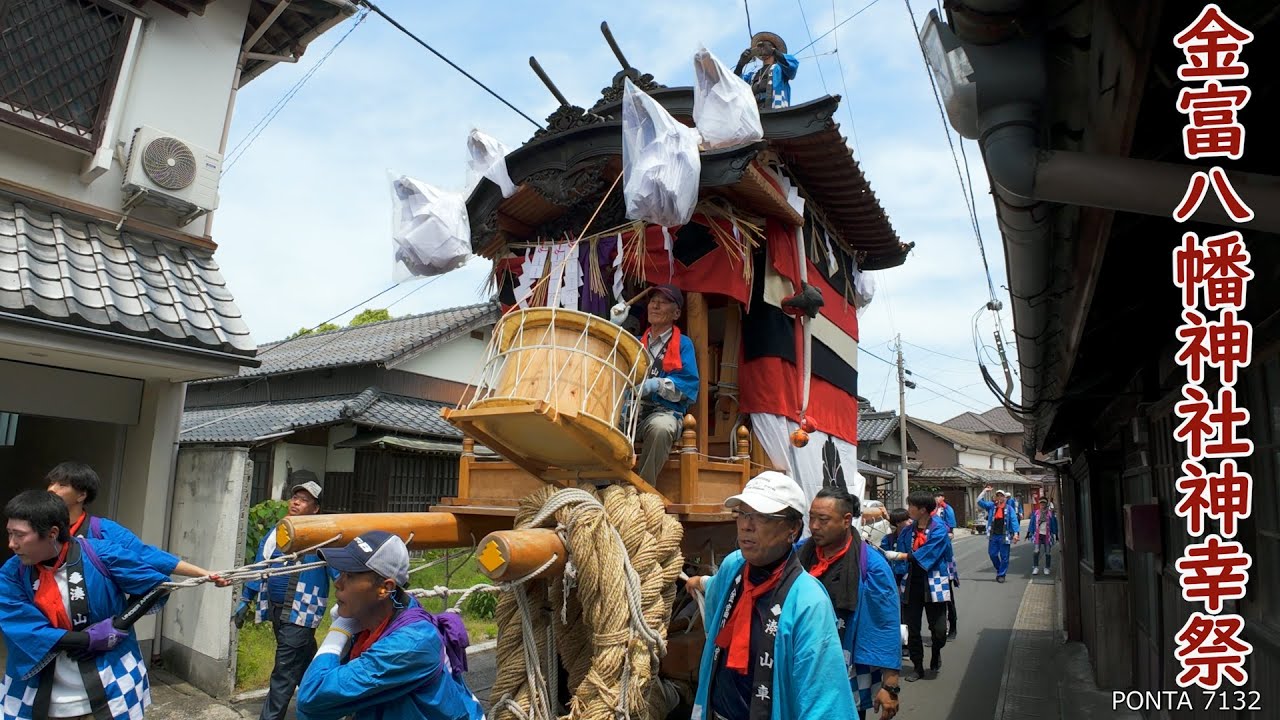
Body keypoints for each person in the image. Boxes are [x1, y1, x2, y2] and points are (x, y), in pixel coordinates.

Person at [686, 470, 856, 718]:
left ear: (793, 529)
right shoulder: (734, 567)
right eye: (742, 513)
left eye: (762, 516)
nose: (746, 525)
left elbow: (824, 697)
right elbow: (716, 588)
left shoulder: (808, 601)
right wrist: (699, 581)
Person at [1, 489, 177, 719]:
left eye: (19, 535)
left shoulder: (101, 555)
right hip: (36, 687)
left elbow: (157, 585)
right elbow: (18, 622)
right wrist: (86, 640)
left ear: (52, 533)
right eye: (9, 533)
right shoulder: (12, 572)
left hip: (111, 678)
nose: (11, 544)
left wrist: (119, 625)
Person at [295, 531, 485, 720]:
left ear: (385, 588)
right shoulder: (384, 615)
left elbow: (311, 700)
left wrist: (338, 632)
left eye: (350, 575)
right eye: (340, 573)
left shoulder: (410, 645)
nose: (337, 583)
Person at [234, 479, 337, 720]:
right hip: (277, 610)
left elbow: (337, 570)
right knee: (305, 665)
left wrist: (351, 603)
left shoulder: (322, 535)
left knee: (284, 671)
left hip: (303, 611)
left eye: (304, 500)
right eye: (295, 497)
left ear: (315, 508)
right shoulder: (278, 531)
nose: (296, 502)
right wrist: (246, 598)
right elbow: (261, 564)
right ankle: (327, 707)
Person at [798, 487, 901, 719]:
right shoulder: (801, 553)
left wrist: (890, 684)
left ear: (846, 521)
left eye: (823, 520)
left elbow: (885, 623)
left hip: (842, 665)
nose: (814, 526)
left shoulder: (872, 566)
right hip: (803, 661)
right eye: (811, 518)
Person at [46, 460, 225, 581]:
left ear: (81, 495)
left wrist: (205, 574)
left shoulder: (103, 530)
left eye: (61, 485)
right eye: (51, 483)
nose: (51, 489)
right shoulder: (38, 526)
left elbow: (148, 555)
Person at [610, 285, 699, 485]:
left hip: (664, 411)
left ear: (676, 313)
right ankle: (608, 485)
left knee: (661, 428)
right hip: (631, 412)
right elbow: (609, 357)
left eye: (664, 301)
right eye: (652, 300)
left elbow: (688, 385)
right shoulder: (636, 343)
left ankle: (642, 488)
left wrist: (657, 384)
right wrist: (614, 326)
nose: (655, 305)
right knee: (601, 425)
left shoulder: (684, 344)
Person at [883, 491, 952, 682]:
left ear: (922, 510)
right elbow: (899, 553)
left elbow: (931, 552)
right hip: (911, 582)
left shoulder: (939, 529)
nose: (909, 509)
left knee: (938, 630)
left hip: (934, 582)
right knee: (912, 627)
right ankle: (918, 666)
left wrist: (904, 556)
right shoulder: (907, 531)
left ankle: (936, 651)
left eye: (911, 506)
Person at [733, 31, 801, 109]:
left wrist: (773, 51)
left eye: (766, 46)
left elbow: (792, 66)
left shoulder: (779, 69)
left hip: (775, 109)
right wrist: (740, 65)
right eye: (761, 46)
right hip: (754, 112)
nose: (762, 48)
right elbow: (736, 84)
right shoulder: (752, 75)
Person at [976, 487, 1020, 583]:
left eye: (1001, 496)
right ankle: (999, 569)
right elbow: (979, 501)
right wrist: (984, 491)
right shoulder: (992, 506)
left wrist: (1016, 533)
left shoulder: (1009, 509)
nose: (999, 497)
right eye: (998, 495)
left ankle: (1001, 574)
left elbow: (1014, 521)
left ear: (1005, 498)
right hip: (993, 535)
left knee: (1004, 556)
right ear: (995, 497)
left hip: (1005, 535)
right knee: (992, 554)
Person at [932, 492, 959, 639]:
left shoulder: (945, 511)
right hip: (930, 568)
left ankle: (952, 626)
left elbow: (950, 527)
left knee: (947, 598)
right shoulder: (925, 520)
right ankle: (938, 631)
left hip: (944, 565)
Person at [1025, 498, 1060, 575]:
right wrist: (1028, 533)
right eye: (1041, 504)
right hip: (1038, 535)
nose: (1042, 505)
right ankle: (1035, 567)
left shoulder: (1050, 514)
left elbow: (1054, 524)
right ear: (1039, 504)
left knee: (1048, 552)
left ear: (1046, 504)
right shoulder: (1036, 513)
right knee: (1036, 551)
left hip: (1047, 535)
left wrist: (1056, 535)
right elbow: (1032, 523)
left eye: (1044, 504)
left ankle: (1047, 567)